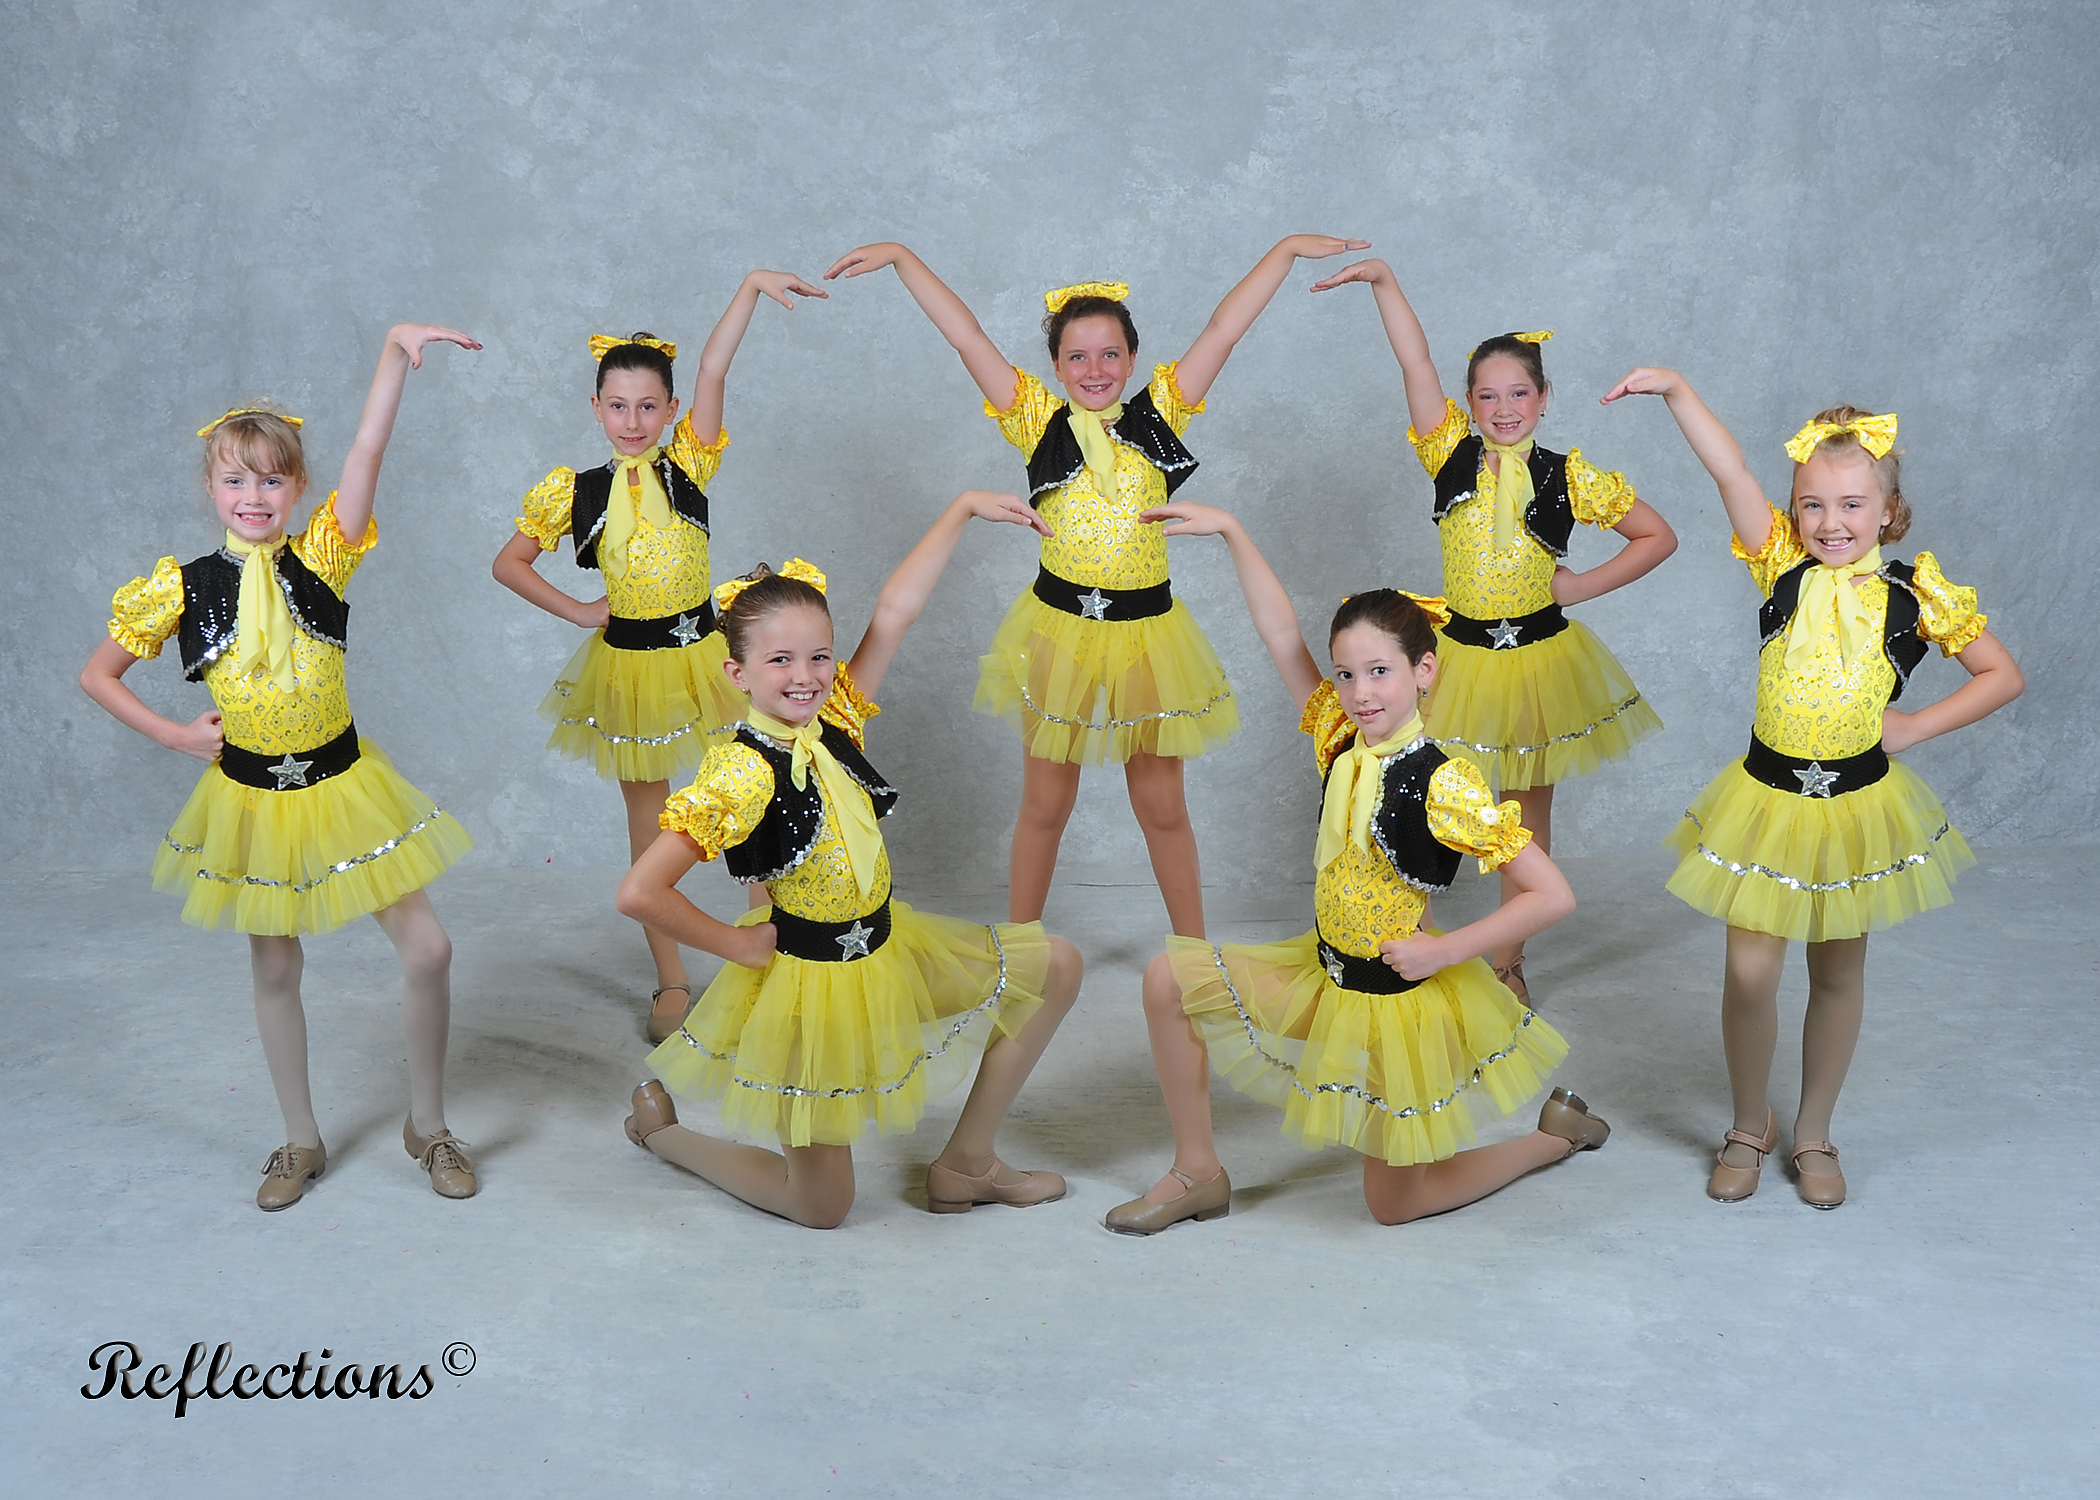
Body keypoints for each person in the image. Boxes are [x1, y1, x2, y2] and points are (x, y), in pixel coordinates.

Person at [822, 236, 1368, 939]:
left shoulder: (1159, 417)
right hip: (1059, 631)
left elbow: (1223, 329)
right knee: (1046, 802)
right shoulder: (1037, 423)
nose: (1095, 369)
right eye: (1077, 357)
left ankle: (1191, 955)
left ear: (1133, 360)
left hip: (1149, 635)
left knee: (1162, 805)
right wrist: (903, 259)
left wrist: (1285, 251)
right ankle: (1023, 950)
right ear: (1055, 366)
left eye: (1110, 354)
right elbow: (967, 336)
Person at [1101, 501, 1611, 1234]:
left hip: (1396, 1006)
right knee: (1166, 980)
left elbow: (1551, 894)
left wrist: (1443, 951)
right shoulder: (1341, 738)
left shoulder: (1444, 781)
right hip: (1325, 973)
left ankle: (1553, 1138)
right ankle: (1197, 1172)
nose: (1360, 692)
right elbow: (1281, 635)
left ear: (1424, 670)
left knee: (1394, 1205)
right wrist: (1234, 531)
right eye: (1346, 674)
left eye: (1379, 671)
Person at [81, 325, 482, 1209]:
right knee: (273, 968)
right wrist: (175, 737)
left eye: (272, 480)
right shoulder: (182, 585)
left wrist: (393, 352)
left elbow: (368, 448)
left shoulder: (325, 554)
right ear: (211, 488)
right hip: (253, 800)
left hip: (344, 787)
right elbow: (97, 674)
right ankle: (299, 1138)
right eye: (236, 479)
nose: (254, 496)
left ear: (298, 487)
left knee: (429, 948)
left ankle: (428, 1125)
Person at [1603, 369, 2022, 1207]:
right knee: (1750, 974)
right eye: (1813, 505)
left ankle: (1815, 1131)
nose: (1831, 523)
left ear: (1889, 511)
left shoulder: (1915, 595)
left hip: (1854, 812)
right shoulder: (1781, 568)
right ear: (1794, 511)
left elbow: (2001, 675)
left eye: (1852, 505)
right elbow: (1730, 472)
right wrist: (1679, 392)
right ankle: (1746, 1124)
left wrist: (1915, 726)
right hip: (1765, 804)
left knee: (1836, 972)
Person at [615, 493, 1085, 1229]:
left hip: (888, 954)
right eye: (779, 660)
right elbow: (641, 891)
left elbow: (895, 612)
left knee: (1055, 964)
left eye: (819, 656)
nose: (804, 675)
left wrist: (961, 510)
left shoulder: (835, 715)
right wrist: (736, 943)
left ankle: (967, 1162)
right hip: (811, 991)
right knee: (822, 1206)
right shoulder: (740, 772)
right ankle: (664, 1135)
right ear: (737, 673)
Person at [1312, 259, 1675, 1002]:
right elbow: (1415, 364)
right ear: (1469, 402)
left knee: (1523, 816)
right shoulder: (1449, 453)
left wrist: (1577, 585)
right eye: (1487, 395)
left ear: (1544, 397)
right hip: (1459, 656)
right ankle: (1406, 931)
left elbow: (1656, 536)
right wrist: (1387, 283)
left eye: (1519, 393)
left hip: (1539, 658)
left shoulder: (1568, 474)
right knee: (1412, 785)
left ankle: (1507, 960)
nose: (1504, 408)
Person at [493, 271, 824, 1043]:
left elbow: (714, 366)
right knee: (650, 825)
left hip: (706, 656)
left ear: (671, 410)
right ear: (595, 409)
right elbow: (508, 563)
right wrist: (580, 610)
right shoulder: (573, 492)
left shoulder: (689, 465)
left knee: (754, 793)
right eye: (618, 406)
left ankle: (768, 956)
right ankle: (672, 977)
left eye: (648, 406)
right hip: (629, 670)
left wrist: (747, 289)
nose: (633, 420)